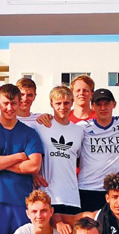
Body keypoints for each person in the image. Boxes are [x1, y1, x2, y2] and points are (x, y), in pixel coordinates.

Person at [0, 84, 43, 234]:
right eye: (5, 103)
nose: (9, 108)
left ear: (19, 103)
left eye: (13, 103)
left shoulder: (29, 133)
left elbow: (34, 166)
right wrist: (19, 156)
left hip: (22, 201)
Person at [75, 89, 119, 212]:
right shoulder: (82, 127)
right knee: (88, 229)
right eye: (98, 104)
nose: (103, 108)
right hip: (88, 188)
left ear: (114, 104)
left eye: (107, 104)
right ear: (92, 106)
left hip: (115, 190)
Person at [25, 86, 83, 215]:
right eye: (58, 103)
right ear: (51, 104)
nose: (63, 107)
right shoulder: (40, 126)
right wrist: (33, 173)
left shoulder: (79, 131)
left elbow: (80, 160)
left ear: (72, 103)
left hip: (71, 198)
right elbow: (27, 153)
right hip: (46, 196)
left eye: (66, 103)